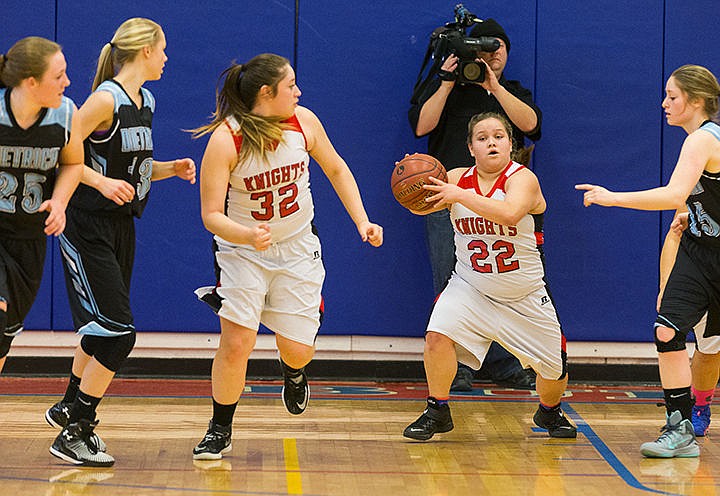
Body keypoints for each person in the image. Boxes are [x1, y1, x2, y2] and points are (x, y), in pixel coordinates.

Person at [190, 53, 383, 460]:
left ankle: (293, 370)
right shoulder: (226, 139)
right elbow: (210, 215)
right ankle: (219, 428)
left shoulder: (304, 122)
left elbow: (336, 169)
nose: (298, 91)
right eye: (291, 85)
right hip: (243, 251)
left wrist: (362, 221)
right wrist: (245, 233)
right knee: (236, 342)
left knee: (298, 349)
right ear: (266, 92)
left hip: (297, 248)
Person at [45, 18, 196, 467]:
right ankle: (77, 428)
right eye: (163, 49)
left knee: (101, 329)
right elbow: (58, 151)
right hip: (86, 222)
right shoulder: (105, 98)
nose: (167, 58)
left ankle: (67, 405)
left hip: (122, 225)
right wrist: (100, 182)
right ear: (145, 50)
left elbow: (133, 164)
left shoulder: (144, 100)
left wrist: (170, 168)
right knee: (118, 333)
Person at [403, 112, 576, 441]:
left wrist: (460, 196)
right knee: (436, 336)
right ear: (471, 148)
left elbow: (511, 213)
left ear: (510, 144)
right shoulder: (454, 177)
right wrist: (413, 182)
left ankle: (549, 411)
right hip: (471, 287)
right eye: (482, 138)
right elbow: (419, 207)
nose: (491, 142)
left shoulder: (522, 179)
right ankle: (437, 410)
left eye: (498, 136)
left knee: (555, 368)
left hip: (523, 294)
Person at [576, 64, 720, 458]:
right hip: (700, 251)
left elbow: (675, 195)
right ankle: (680, 428)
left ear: (695, 100)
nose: (664, 103)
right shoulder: (699, 140)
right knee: (667, 331)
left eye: (672, 96)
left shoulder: (703, 140)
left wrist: (612, 196)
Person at [409, 17, 541, 391]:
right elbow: (421, 126)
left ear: (507, 52)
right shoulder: (448, 89)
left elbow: (531, 125)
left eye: (497, 46)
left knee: (503, 280)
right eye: (483, 47)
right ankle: (459, 365)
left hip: (503, 198)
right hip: (447, 198)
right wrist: (448, 81)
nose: (490, 53)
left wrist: (495, 88)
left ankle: (505, 361)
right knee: (449, 278)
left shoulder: (512, 90)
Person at [0, 37, 83, 372]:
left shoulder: (65, 114)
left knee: (4, 337)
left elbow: (73, 164)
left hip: (28, 239)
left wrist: (60, 202)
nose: (67, 82)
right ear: (31, 82)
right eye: (59, 75)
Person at [659, 213, 719, 438]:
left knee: (711, 348)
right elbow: (674, 234)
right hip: (699, 269)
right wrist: (665, 284)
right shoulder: (694, 183)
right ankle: (689, 411)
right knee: (667, 333)